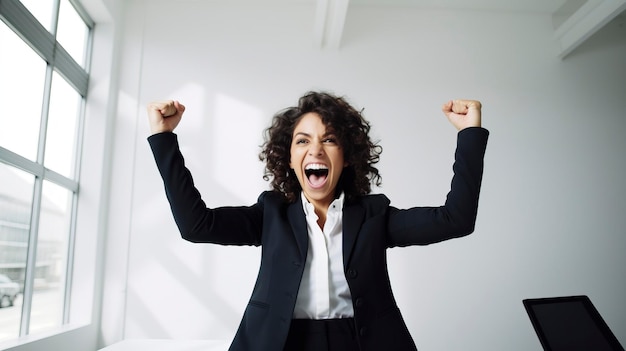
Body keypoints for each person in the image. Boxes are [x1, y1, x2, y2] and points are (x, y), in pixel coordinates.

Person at [147, 91, 489, 351]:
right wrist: (164, 139)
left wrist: (470, 133)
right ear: (290, 157)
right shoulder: (270, 214)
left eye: (329, 139)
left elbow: (454, 219)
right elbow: (196, 226)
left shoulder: (374, 215)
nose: (316, 150)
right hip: (284, 341)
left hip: (359, 341)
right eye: (302, 141)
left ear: (347, 155)